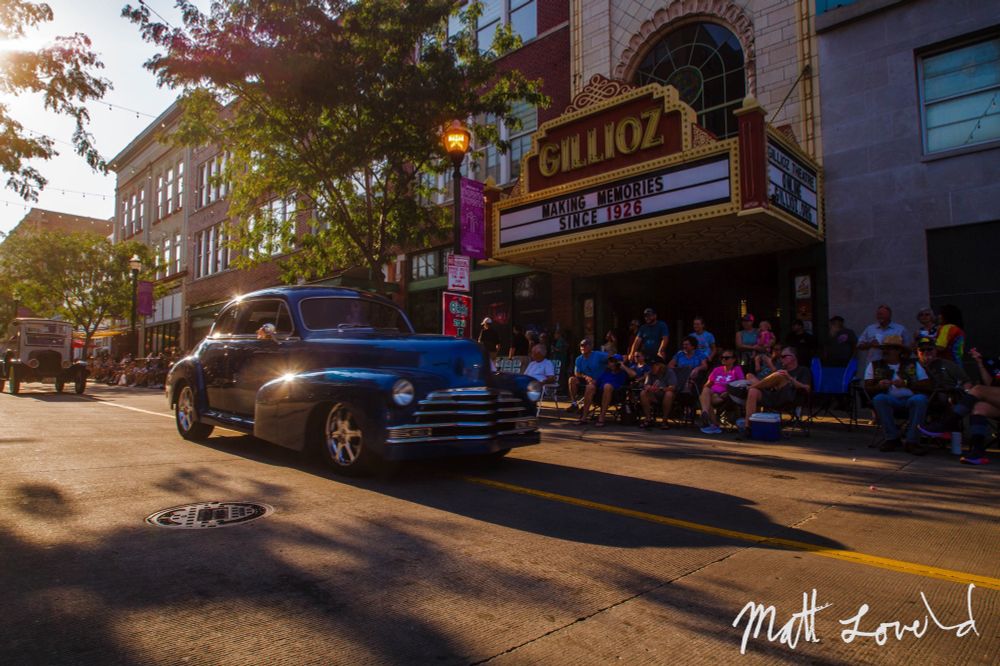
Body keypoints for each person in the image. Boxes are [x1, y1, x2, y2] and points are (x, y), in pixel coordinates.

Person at [864, 335, 931, 454]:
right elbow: (867, 387)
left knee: (920, 399)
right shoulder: (874, 365)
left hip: (911, 399)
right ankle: (892, 438)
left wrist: (906, 383)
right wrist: (879, 386)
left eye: (889, 348)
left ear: (899, 351)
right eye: (884, 348)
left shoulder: (913, 364)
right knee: (879, 399)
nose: (885, 351)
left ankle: (912, 442)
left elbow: (927, 384)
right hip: (890, 400)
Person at [743, 347, 812, 433]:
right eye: (780, 357)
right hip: (773, 396)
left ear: (794, 357)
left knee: (780, 375)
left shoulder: (803, 370)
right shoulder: (781, 369)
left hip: (790, 397)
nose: (781, 359)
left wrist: (789, 378)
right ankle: (748, 427)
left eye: (784, 356)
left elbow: (807, 388)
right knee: (752, 386)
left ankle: (751, 387)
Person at [699, 350, 745, 434]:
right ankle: (706, 414)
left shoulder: (736, 369)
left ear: (733, 359)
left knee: (705, 400)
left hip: (726, 395)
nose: (723, 359)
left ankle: (712, 422)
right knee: (705, 390)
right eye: (722, 357)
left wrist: (729, 392)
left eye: (726, 358)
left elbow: (741, 384)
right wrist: (706, 392)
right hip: (713, 392)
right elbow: (708, 384)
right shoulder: (717, 369)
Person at [591, 354, 636, 427]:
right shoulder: (606, 372)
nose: (610, 363)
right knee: (589, 387)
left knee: (607, 386)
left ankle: (602, 417)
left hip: (615, 395)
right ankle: (583, 417)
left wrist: (623, 366)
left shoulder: (623, 372)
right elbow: (596, 382)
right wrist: (591, 381)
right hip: (600, 395)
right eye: (609, 361)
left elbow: (634, 375)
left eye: (612, 361)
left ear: (618, 363)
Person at [567, 338, 608, 415]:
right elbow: (577, 373)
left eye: (585, 345)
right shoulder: (579, 359)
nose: (582, 347)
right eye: (581, 345)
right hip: (586, 380)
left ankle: (584, 407)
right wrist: (585, 377)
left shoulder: (598, 355)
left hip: (598, 381)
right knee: (572, 379)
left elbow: (612, 357)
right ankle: (574, 404)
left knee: (591, 386)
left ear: (590, 347)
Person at [639, 357, 676, 430]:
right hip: (654, 396)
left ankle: (664, 420)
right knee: (643, 393)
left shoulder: (669, 372)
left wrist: (661, 389)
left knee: (669, 394)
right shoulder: (650, 373)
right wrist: (648, 387)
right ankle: (648, 419)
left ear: (661, 366)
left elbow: (673, 387)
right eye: (651, 365)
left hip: (665, 395)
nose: (652, 367)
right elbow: (646, 385)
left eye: (654, 365)